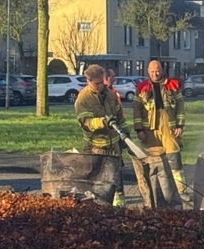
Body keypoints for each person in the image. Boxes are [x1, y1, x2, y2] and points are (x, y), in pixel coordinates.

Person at [133, 60, 190, 209]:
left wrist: (180, 125)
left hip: (169, 130)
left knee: (174, 160)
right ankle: (154, 195)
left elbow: (180, 107)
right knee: (152, 163)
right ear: (147, 71)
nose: (155, 74)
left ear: (162, 70)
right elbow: (137, 110)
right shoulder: (142, 88)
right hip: (149, 132)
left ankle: (181, 192)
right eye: (152, 72)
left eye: (157, 71)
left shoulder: (173, 86)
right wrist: (139, 130)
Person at [75, 64, 129, 205]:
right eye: (96, 83)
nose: (100, 86)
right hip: (95, 147)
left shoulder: (110, 94)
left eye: (102, 82)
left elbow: (120, 116)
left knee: (117, 184)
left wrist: (125, 133)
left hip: (114, 147)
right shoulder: (83, 99)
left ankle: (119, 211)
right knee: (96, 184)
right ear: (89, 81)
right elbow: (84, 122)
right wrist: (102, 122)